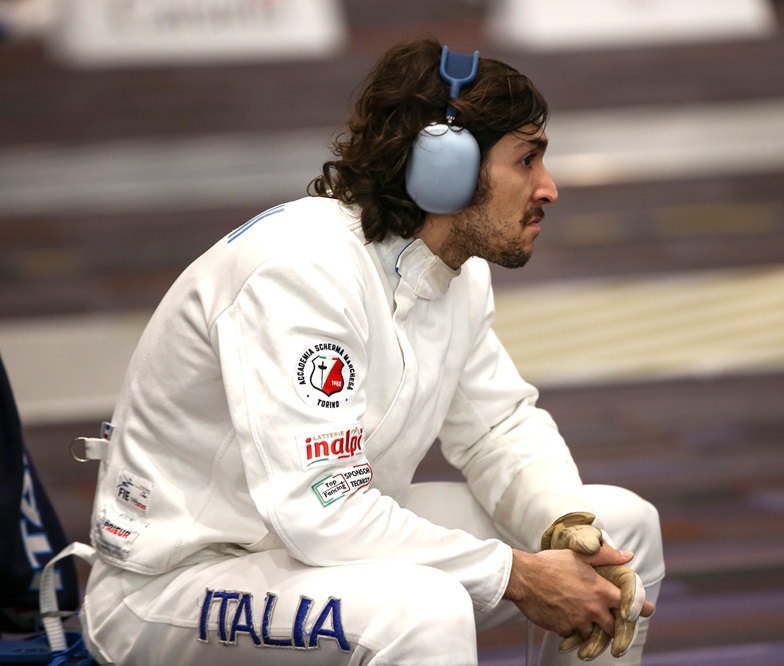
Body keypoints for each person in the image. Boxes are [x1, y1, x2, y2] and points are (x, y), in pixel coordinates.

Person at [77, 38, 665, 665]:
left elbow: (497, 428)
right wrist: (518, 575)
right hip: (172, 585)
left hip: (314, 553)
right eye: (527, 159)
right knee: (425, 612)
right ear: (445, 168)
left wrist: (563, 526)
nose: (548, 188)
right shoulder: (301, 272)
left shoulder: (455, 272)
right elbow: (322, 515)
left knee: (621, 528)